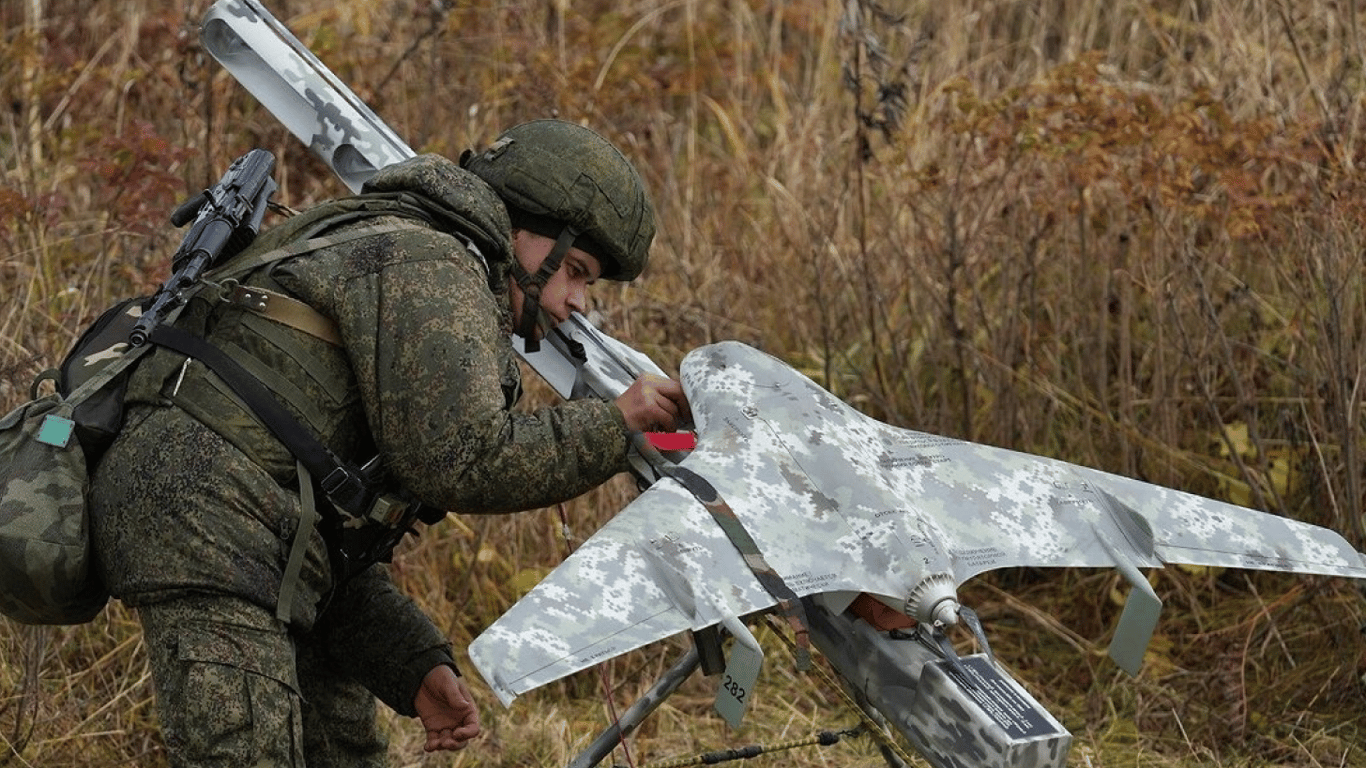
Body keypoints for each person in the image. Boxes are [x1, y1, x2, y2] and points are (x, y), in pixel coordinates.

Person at [88, 119, 689, 766]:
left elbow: (325, 529)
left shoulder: (404, 244)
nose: (575, 303)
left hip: (244, 527)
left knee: (344, 752)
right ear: (524, 227)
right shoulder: (432, 265)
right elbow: (464, 460)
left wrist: (411, 664)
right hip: (205, 524)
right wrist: (614, 422)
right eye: (573, 270)